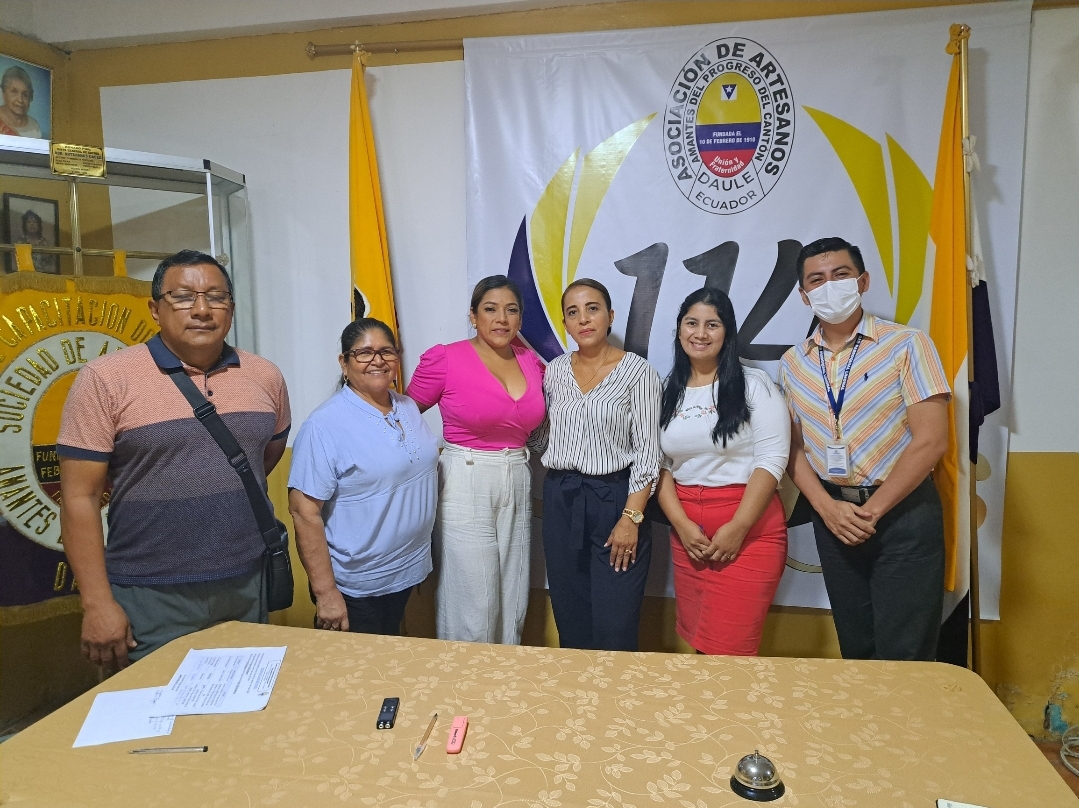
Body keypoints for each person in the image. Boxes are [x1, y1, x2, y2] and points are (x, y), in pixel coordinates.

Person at [58, 249, 290, 668]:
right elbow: (80, 498)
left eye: (216, 297)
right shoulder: (105, 379)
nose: (202, 310)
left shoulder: (265, 376)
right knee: (154, 707)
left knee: (247, 699)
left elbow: (262, 458)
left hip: (246, 581)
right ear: (155, 309)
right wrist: (96, 603)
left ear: (231, 308)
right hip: (149, 592)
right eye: (183, 297)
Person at [777, 237, 951, 661]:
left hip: (903, 514)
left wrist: (871, 512)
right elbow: (793, 449)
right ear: (804, 295)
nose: (829, 286)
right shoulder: (793, 362)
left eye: (840, 275)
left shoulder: (908, 344)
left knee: (905, 653)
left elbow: (931, 440)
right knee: (856, 647)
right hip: (834, 517)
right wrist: (826, 508)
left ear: (863, 281)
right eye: (816, 280)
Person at [406, 275, 546, 644]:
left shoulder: (531, 362)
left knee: (513, 594)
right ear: (473, 316)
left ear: (520, 319)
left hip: (518, 473)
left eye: (511, 310)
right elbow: (401, 418)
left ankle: (503, 675)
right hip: (466, 477)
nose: (501, 318)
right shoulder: (445, 359)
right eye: (490, 309)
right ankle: (464, 676)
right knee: (473, 597)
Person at [656, 288, 790, 656]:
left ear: (727, 332)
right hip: (689, 536)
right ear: (679, 329)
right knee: (701, 643)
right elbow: (660, 465)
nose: (700, 333)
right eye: (692, 323)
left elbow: (772, 460)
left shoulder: (754, 384)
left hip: (749, 534)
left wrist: (739, 527)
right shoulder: (668, 389)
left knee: (731, 651)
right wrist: (682, 526)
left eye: (712, 325)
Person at [288, 318, 438, 635]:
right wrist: (326, 593)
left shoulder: (407, 407)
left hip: (405, 572)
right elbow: (304, 512)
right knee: (356, 665)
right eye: (364, 353)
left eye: (386, 351)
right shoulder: (324, 425)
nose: (377, 360)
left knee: (389, 657)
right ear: (344, 363)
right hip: (356, 588)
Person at [541, 278, 662, 651]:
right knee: (569, 614)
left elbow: (649, 452)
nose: (583, 319)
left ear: (610, 315)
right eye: (572, 312)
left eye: (592, 309)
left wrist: (631, 518)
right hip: (561, 498)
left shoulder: (638, 371)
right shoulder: (554, 371)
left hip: (616, 500)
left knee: (615, 623)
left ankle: (614, 689)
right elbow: (542, 436)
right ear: (565, 323)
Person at [0, 66, 42, 138]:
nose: (20, 100)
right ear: (4, 93)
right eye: (14, 91)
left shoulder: (34, 126)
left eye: (25, 94)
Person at [16, 209, 57, 274]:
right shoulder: (20, 242)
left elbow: (51, 265)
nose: (32, 224)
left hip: (43, 276)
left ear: (39, 225)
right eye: (29, 222)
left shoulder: (45, 243)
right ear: (25, 225)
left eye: (34, 222)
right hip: (24, 275)